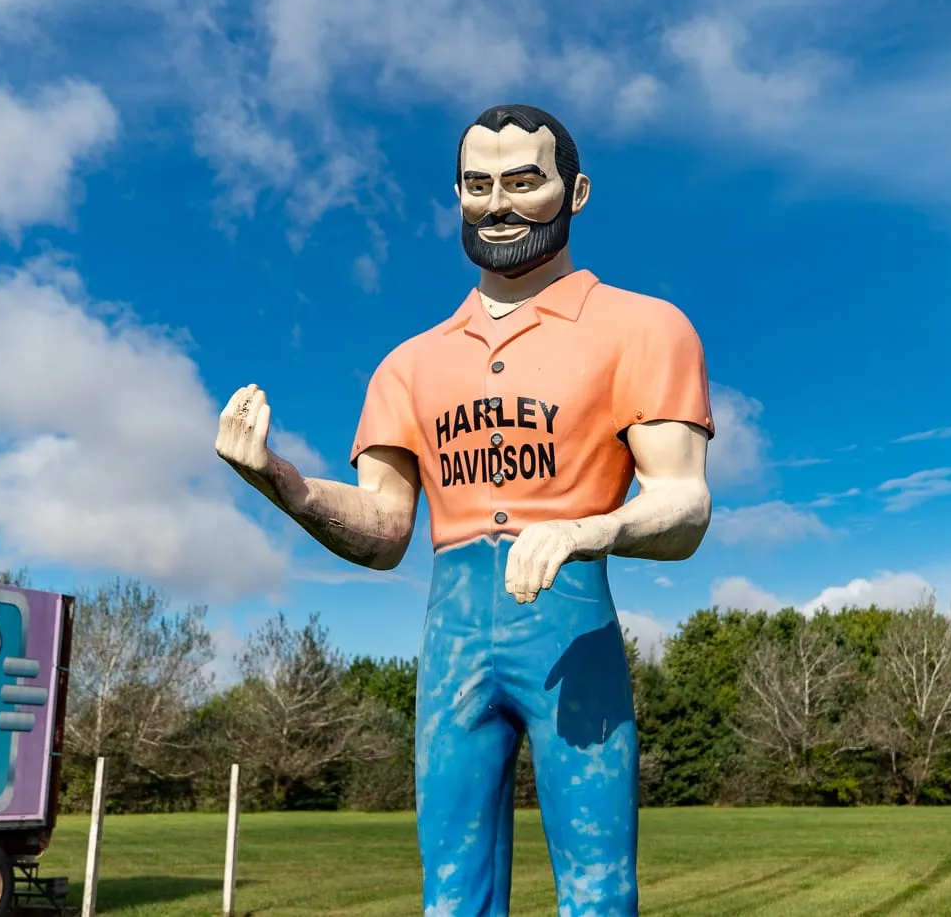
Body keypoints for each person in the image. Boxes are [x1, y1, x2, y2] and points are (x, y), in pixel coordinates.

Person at [216, 103, 714, 917]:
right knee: (450, 894)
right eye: (478, 185)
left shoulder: (645, 329)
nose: (498, 203)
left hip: (571, 627)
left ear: (576, 191)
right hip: (452, 638)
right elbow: (384, 530)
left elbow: (685, 506)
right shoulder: (409, 364)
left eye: (524, 181)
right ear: (456, 194)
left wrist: (587, 529)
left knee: (597, 890)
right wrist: (284, 480)